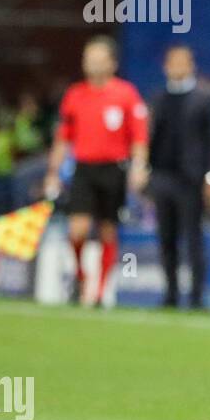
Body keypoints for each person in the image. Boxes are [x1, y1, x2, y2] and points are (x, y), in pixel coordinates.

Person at [42, 36, 149, 307]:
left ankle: (100, 291)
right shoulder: (75, 95)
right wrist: (53, 172)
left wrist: (138, 167)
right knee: (77, 230)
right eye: (88, 58)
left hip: (114, 169)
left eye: (98, 58)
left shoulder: (126, 94)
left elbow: (139, 137)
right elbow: (63, 138)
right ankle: (80, 275)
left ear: (112, 63)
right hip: (84, 169)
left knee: (107, 231)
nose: (91, 63)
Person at [148, 45, 210, 309]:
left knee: (194, 238)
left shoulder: (204, 99)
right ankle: (170, 294)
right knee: (166, 238)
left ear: (191, 65)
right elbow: (151, 138)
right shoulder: (158, 99)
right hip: (162, 175)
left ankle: (197, 297)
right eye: (172, 62)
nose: (177, 67)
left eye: (182, 62)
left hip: (191, 178)